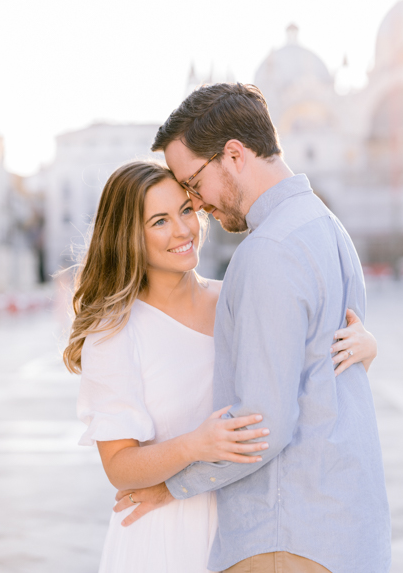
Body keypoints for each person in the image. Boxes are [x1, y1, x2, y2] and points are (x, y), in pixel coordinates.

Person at [118, 83, 391, 573]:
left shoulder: (269, 250)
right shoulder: (327, 226)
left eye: (194, 183)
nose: (196, 205)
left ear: (234, 155)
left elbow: (261, 426)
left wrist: (170, 486)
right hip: (342, 530)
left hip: (284, 537)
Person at [66, 160, 378, 573]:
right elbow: (119, 467)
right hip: (165, 532)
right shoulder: (114, 332)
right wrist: (193, 445)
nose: (182, 230)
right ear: (129, 237)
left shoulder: (237, 295)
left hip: (249, 523)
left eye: (185, 210)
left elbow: (296, 391)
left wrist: (365, 350)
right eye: (159, 221)